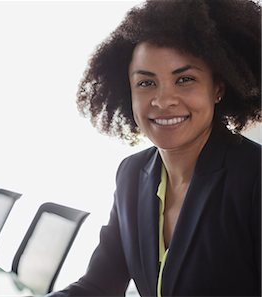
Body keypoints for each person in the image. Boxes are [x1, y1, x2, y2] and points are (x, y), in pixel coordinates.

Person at [46, 0, 261, 296]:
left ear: (218, 88)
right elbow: (98, 287)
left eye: (185, 80)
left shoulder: (254, 178)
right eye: (146, 83)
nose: (163, 100)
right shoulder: (132, 174)